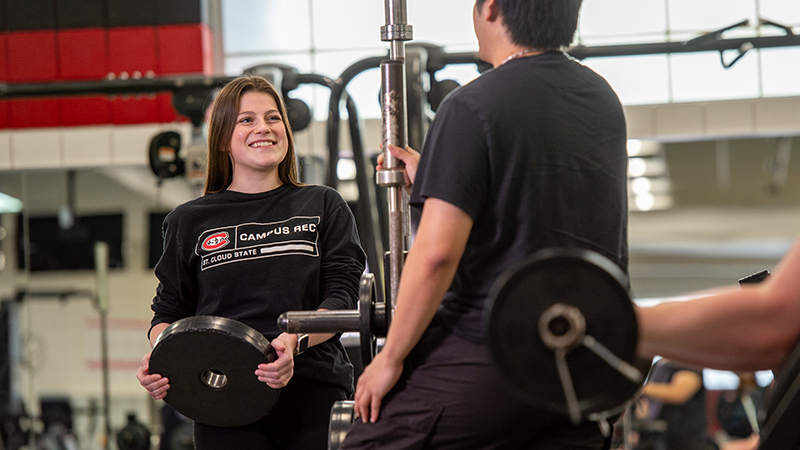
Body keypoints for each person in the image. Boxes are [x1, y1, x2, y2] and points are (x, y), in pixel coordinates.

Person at [343, 0, 629, 448]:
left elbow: (436, 255)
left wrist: (390, 358)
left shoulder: (470, 106)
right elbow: (541, 202)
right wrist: (442, 175)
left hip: (489, 353)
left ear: (491, 9)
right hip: (576, 363)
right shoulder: (600, 97)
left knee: (367, 440)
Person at [135, 74, 367, 450]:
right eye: (247, 120)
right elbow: (169, 309)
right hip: (222, 395)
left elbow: (343, 296)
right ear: (224, 138)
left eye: (273, 118)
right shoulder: (189, 220)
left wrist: (295, 341)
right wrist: (163, 357)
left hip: (313, 388)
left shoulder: (322, 205)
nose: (264, 128)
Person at [633, 359, 715, 450]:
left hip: (684, 438)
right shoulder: (658, 365)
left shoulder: (688, 362)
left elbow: (679, 394)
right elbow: (645, 405)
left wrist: (638, 388)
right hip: (655, 437)